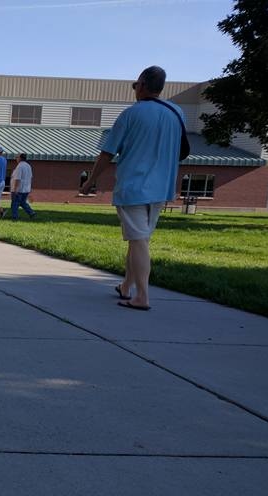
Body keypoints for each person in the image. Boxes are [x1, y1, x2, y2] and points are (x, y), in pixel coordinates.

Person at [81, 65, 183, 311]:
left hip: (134, 186)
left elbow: (107, 153)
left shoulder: (130, 114)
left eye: (135, 85)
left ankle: (142, 297)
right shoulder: (177, 112)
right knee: (140, 239)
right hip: (162, 187)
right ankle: (126, 286)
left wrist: (89, 182)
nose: (134, 90)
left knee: (138, 241)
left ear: (143, 85)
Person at [9, 153, 37, 220]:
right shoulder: (28, 166)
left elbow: (18, 178)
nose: (16, 158)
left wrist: (15, 189)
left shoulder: (20, 166)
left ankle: (15, 217)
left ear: (20, 158)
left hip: (19, 189)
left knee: (14, 204)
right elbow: (30, 177)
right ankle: (31, 213)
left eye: (17, 157)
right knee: (22, 202)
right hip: (26, 189)